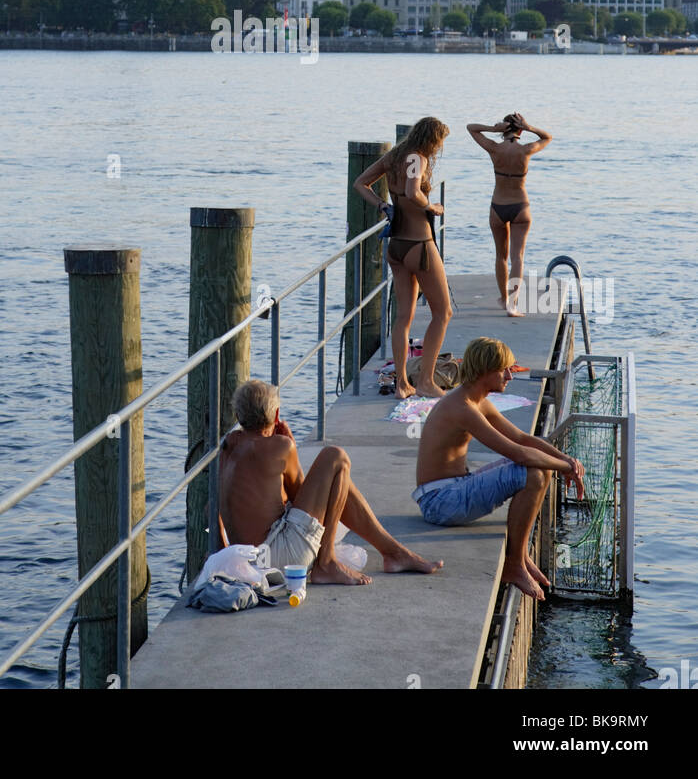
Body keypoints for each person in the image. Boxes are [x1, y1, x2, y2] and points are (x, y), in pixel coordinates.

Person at [219, 379, 443, 585]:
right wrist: (290, 444)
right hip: (279, 558)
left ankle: (394, 553)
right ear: (276, 416)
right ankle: (326, 563)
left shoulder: (227, 447)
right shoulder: (280, 447)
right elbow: (304, 500)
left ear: (238, 417)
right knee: (336, 458)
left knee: (338, 478)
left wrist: (221, 559)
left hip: (248, 560)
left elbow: (222, 507)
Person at [414, 337, 583, 600]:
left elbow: (523, 439)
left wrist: (567, 461)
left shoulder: (476, 400)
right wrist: (564, 467)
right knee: (532, 471)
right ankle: (513, 564)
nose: (509, 376)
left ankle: (520, 555)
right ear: (484, 371)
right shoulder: (462, 407)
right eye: (504, 370)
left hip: (453, 489)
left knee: (540, 467)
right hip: (440, 502)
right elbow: (516, 453)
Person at [354, 116, 451, 399]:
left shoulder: (394, 156)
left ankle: (402, 385)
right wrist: (431, 205)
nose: (439, 148)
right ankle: (426, 382)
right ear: (431, 139)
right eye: (439, 142)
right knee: (443, 313)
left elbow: (360, 183)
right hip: (419, 243)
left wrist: (383, 205)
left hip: (395, 245)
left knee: (403, 317)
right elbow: (412, 191)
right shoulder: (417, 158)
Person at [466, 111, 552, 314]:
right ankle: (512, 304)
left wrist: (492, 129)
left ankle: (504, 299)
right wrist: (530, 127)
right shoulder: (526, 150)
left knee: (501, 257)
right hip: (521, 206)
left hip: (498, 206)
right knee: (518, 257)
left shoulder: (494, 148)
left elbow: (471, 127)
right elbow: (547, 137)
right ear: (520, 130)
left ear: (504, 129)